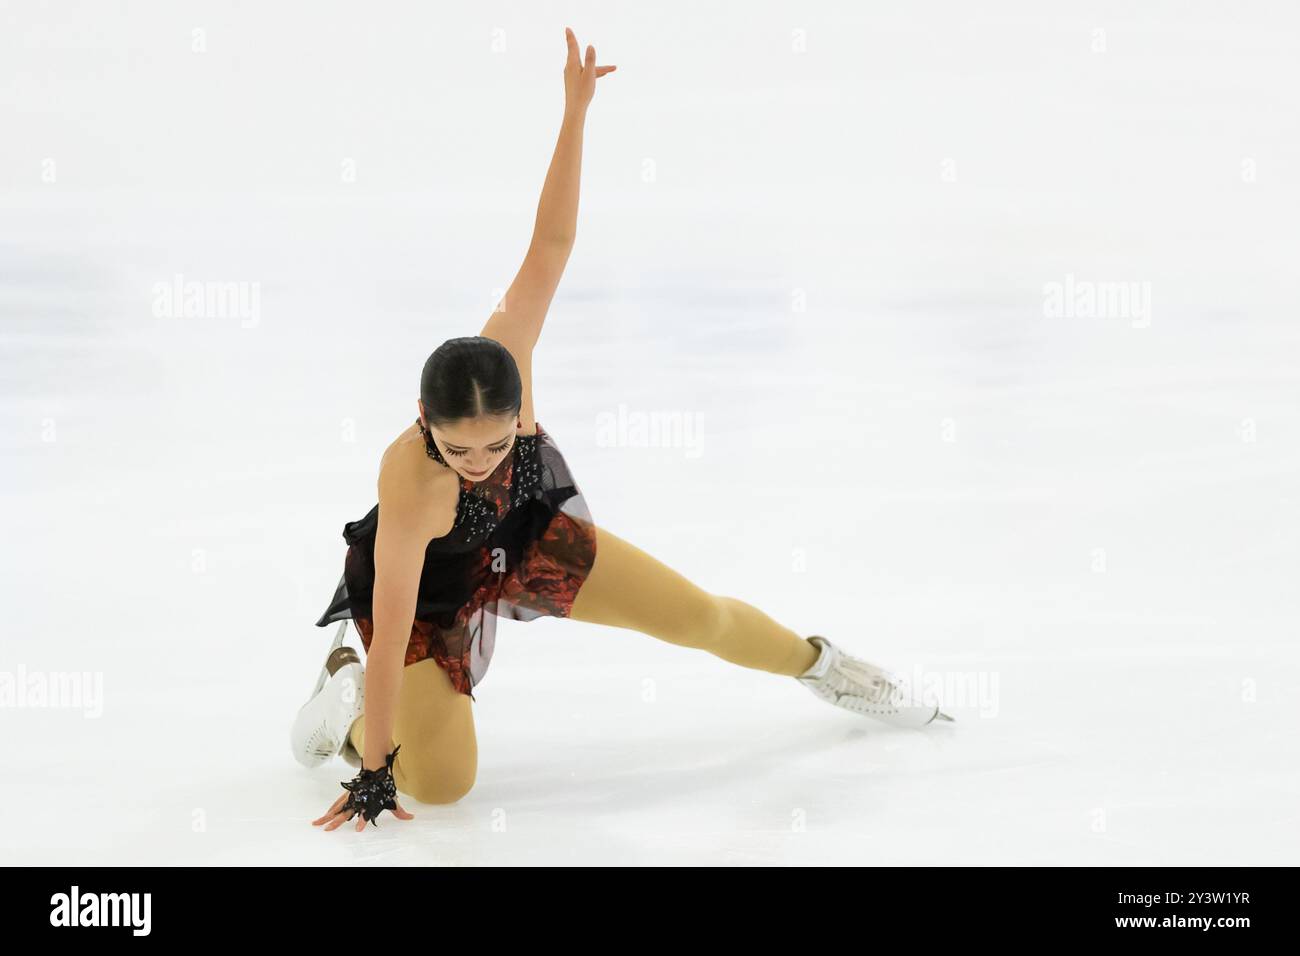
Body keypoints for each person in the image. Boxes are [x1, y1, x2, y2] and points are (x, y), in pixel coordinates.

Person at [290, 27, 952, 832]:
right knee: (443, 784)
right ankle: (343, 704)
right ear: (423, 420)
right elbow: (393, 626)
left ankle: (827, 665)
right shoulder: (410, 480)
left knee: (698, 616)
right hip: (430, 600)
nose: (476, 463)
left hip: (528, 533)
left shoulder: (510, 348)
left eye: (498, 445)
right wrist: (372, 767)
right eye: (458, 449)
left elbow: (554, 243)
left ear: (518, 408)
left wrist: (575, 112)